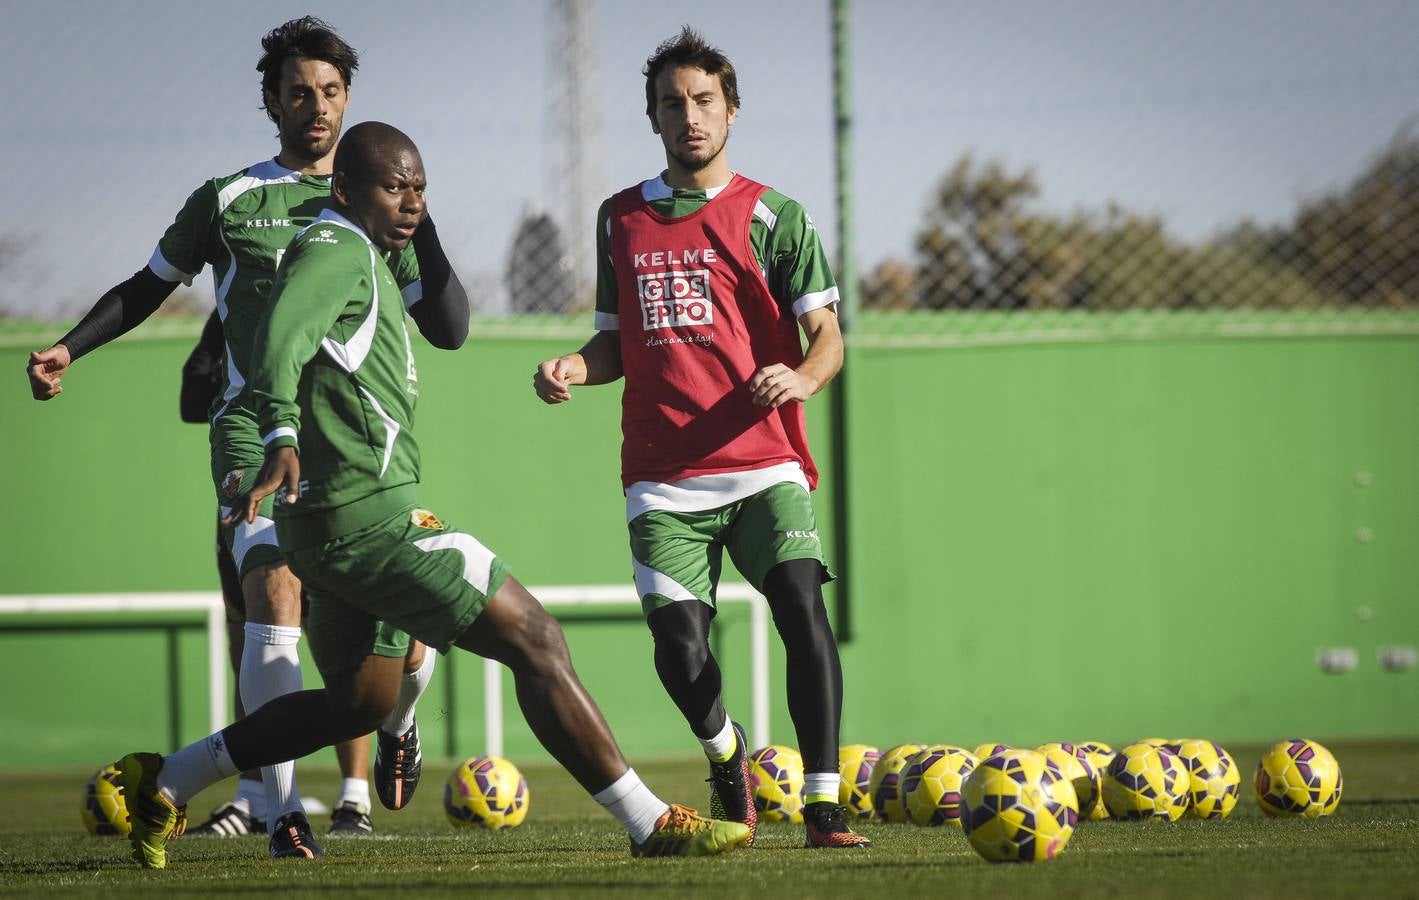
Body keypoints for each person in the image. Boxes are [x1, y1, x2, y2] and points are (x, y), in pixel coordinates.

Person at [112, 122, 752, 870]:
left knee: (360, 704)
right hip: (370, 520)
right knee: (536, 640)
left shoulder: (369, 254)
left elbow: (439, 322)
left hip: (329, 529)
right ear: (346, 190)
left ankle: (167, 782)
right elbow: (278, 337)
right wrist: (281, 433)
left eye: (419, 187)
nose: (411, 202)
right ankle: (649, 823)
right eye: (394, 187)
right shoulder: (336, 248)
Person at [26, 17, 461, 854]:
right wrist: (66, 347)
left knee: (402, 646)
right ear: (271, 101)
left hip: (363, 452)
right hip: (254, 437)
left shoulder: (378, 200)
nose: (317, 107)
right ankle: (280, 809)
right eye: (300, 92)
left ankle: (399, 724)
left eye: (332, 92)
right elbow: (146, 287)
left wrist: (420, 208)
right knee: (273, 595)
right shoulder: (230, 199)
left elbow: (446, 328)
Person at [533, 27, 869, 850]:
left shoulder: (775, 217)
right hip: (662, 474)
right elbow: (614, 341)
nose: (690, 115)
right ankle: (726, 755)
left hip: (763, 463)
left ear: (731, 111)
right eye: (672, 103)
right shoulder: (621, 218)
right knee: (680, 649)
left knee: (799, 604)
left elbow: (827, 334)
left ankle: (822, 806)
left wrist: (804, 378)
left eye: (704, 100)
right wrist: (576, 366)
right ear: (653, 119)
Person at [178, 313, 432, 838]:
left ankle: (360, 788)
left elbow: (449, 326)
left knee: (378, 641)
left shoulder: (349, 277)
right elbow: (191, 397)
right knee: (255, 628)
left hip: (346, 473)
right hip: (257, 472)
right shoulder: (239, 290)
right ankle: (268, 802)